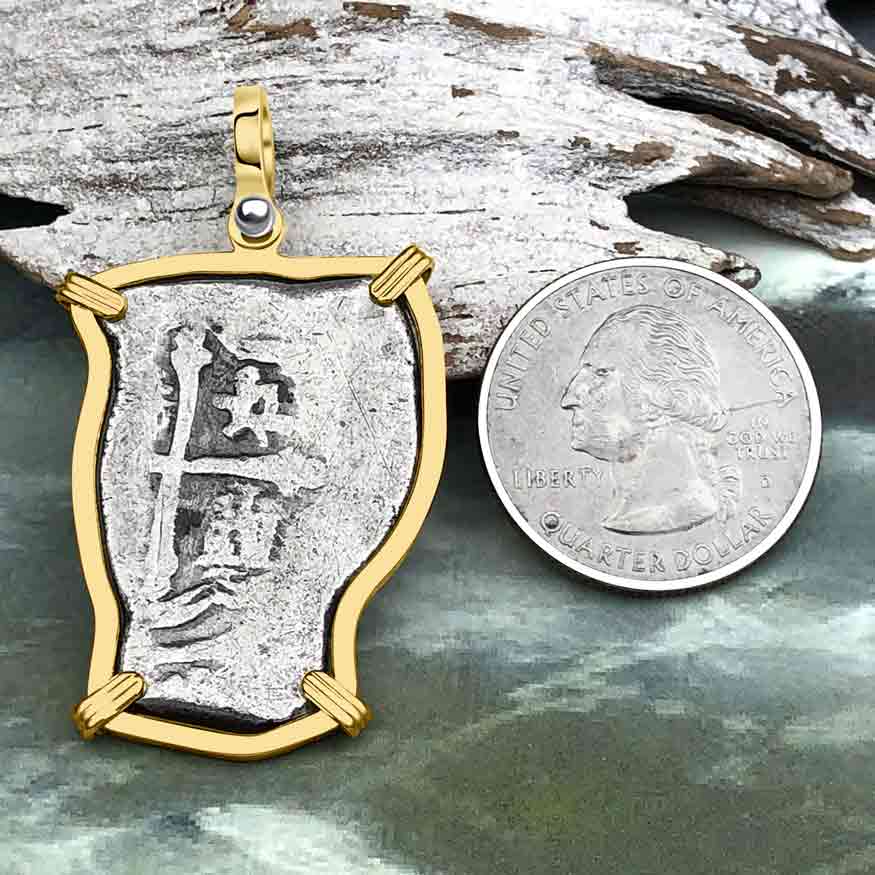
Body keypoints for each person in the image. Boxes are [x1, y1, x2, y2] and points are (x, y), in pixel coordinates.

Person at [560, 304, 741, 534]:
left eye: (601, 373)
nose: (568, 399)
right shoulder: (626, 515)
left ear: (662, 396)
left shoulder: (676, 510)